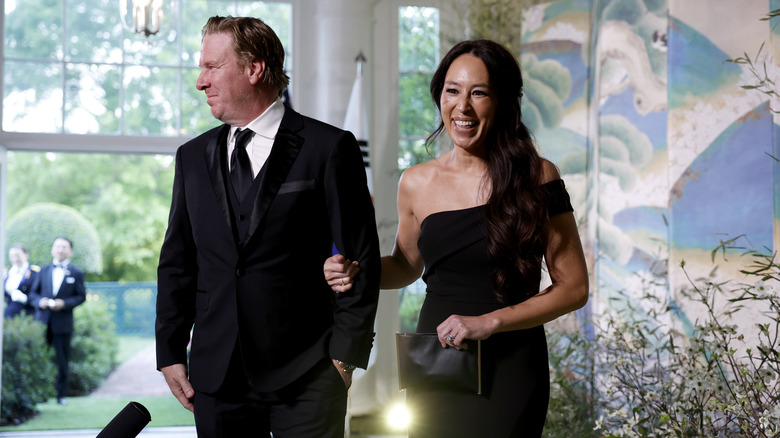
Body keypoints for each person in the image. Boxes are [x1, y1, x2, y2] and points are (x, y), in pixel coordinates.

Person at [324, 40, 589, 437]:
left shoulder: (538, 177)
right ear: (439, 96)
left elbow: (574, 288)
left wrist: (489, 322)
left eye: (478, 93)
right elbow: (406, 266)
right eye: (452, 90)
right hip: (438, 359)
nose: (462, 107)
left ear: (502, 102)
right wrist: (357, 271)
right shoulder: (415, 181)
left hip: (512, 362)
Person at [155, 15, 381, 437]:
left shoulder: (329, 148)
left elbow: (361, 259)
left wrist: (343, 360)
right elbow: (177, 263)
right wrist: (169, 352)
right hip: (216, 375)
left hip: (309, 373)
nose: (200, 82)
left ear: (254, 69)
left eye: (211, 67)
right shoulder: (191, 157)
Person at [28, 236, 87, 405]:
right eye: (58, 247)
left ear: (70, 251)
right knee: (39, 358)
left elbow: (81, 296)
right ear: (52, 249)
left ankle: (61, 395)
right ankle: (38, 393)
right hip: (42, 322)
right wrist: (40, 302)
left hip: (63, 323)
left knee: (62, 360)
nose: (60, 250)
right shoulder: (43, 270)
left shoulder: (77, 273)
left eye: (64, 247)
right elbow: (33, 294)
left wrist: (64, 303)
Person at [4, 243, 40, 318]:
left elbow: (39, 293)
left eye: (18, 255)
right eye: (12, 256)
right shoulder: (7, 272)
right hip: (9, 314)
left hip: (28, 314)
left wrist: (25, 298)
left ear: (26, 255)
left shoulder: (35, 272)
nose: (15, 259)